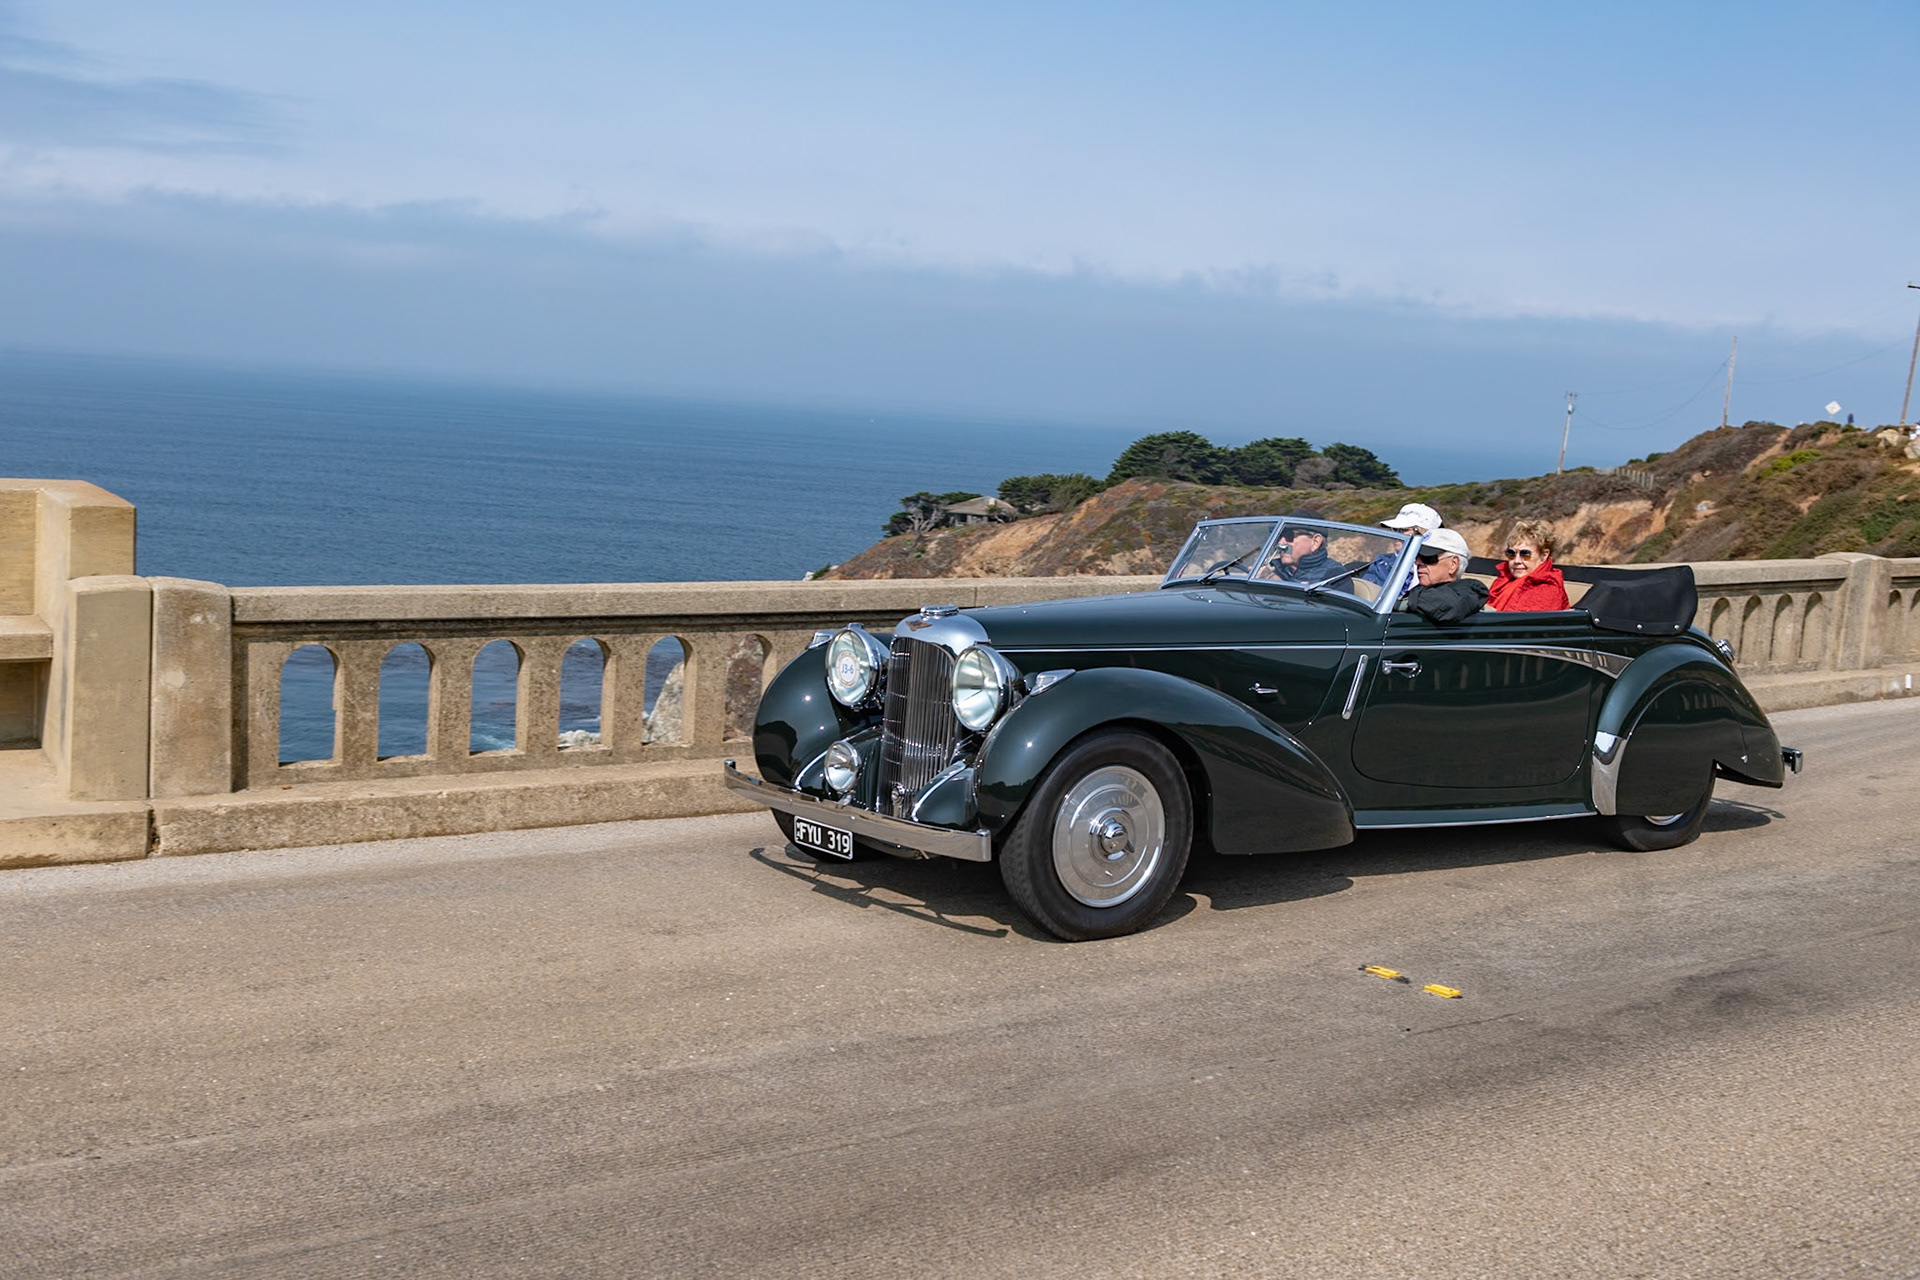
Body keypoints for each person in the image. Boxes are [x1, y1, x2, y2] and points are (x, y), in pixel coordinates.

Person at [1397, 527, 1486, 622]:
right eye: (1416, 556)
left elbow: (1449, 605)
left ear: (1453, 564)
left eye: (1428, 558)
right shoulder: (1418, 592)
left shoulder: (1466, 595)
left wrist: (1401, 604)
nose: (1417, 562)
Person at [1359, 501, 1444, 597]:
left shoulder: (1438, 567)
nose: (1397, 534)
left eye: (1403, 530)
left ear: (1424, 533)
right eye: (1395, 529)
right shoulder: (1383, 564)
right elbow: (1367, 595)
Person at [1486, 519, 1570, 611]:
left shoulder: (1548, 589)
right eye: (1511, 553)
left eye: (1525, 554)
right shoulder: (1504, 580)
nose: (1516, 561)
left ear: (1544, 555)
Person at [1266, 521, 1334, 583]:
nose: (1281, 543)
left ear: (1315, 542)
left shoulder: (1333, 576)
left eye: (1289, 536)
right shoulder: (1279, 571)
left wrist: (1277, 581)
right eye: (1278, 536)